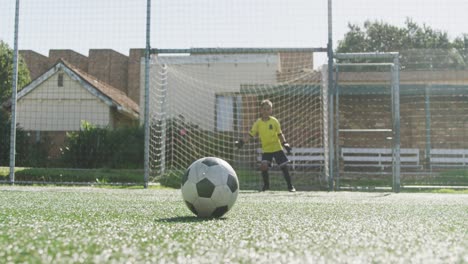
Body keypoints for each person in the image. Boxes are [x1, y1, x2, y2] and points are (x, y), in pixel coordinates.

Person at [235, 99, 295, 192]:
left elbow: (280, 134)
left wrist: (285, 143)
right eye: (264, 109)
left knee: (284, 167)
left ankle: (290, 186)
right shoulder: (258, 123)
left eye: (268, 109)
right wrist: (241, 142)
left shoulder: (274, 121)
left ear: (271, 110)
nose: (266, 111)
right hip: (266, 149)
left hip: (277, 148)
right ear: (261, 110)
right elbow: (251, 134)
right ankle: (266, 186)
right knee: (264, 166)